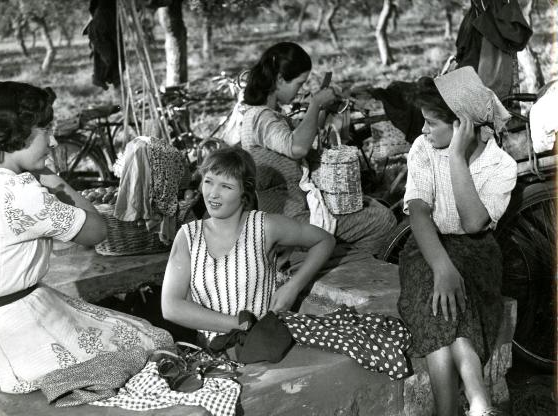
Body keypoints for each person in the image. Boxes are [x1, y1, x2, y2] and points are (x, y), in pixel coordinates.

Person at [0, 81, 174, 394]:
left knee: (120, 325)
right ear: (18, 131)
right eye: (46, 129)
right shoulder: (20, 193)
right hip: (22, 338)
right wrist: (50, 177)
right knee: (154, 339)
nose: (54, 140)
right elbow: (98, 231)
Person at [398, 67, 517, 416]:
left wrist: (455, 158)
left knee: (457, 301)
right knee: (435, 298)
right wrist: (441, 267)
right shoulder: (422, 148)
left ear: (463, 126)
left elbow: (473, 222)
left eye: (431, 123)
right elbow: (418, 213)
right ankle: (478, 404)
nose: (422, 130)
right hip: (426, 246)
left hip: (477, 250)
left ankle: (448, 410)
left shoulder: (500, 166)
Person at [161, 146, 336, 344]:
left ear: (244, 192)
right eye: (209, 182)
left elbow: (325, 240)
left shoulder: (264, 227)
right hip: (215, 350)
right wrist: (240, 324)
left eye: (226, 187)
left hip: (264, 343)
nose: (213, 194)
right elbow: (171, 306)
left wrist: (293, 286)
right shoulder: (188, 237)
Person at [239, 41, 396, 255]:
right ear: (279, 80)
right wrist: (315, 105)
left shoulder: (266, 115)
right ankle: (352, 272)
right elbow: (297, 148)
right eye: (299, 83)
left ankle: (343, 264)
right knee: (382, 220)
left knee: (373, 206)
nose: (300, 90)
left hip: (293, 214)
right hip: (291, 220)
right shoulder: (261, 118)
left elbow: (305, 135)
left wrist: (321, 110)